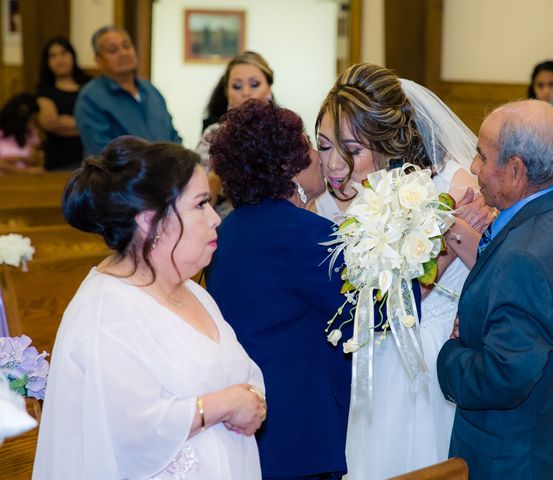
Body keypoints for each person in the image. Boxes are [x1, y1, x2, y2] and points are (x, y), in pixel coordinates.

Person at [33, 136, 266, 479]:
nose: (215, 219)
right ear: (149, 219)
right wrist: (226, 404)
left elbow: (240, 371)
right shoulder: (106, 312)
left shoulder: (194, 292)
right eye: (201, 204)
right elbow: (131, 432)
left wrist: (252, 399)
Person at [314, 63, 492, 479]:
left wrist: (453, 238)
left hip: (434, 347)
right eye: (324, 146)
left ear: (386, 143)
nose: (334, 166)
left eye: (352, 151)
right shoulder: (329, 200)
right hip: (374, 354)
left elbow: (493, 269)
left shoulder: (453, 185)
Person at [437, 100, 553, 479]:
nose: (474, 169)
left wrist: (449, 355)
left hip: (510, 460)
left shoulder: (524, 256)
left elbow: (503, 376)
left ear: (516, 170)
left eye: (482, 156)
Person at [205, 99, 351, 479]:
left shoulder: (227, 230)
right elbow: (368, 314)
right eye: (311, 146)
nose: (322, 158)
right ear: (289, 167)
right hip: (300, 424)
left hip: (250, 416)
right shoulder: (308, 235)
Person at [75, 26, 181, 157]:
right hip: (126, 176)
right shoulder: (90, 98)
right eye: (113, 50)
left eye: (126, 46)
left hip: (169, 173)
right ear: (98, 60)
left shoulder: (151, 90)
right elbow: (100, 154)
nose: (123, 53)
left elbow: (173, 136)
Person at [196, 51, 274, 217]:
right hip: (224, 222)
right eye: (237, 86)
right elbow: (197, 200)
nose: (246, 92)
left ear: (269, 89)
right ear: (227, 94)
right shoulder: (213, 135)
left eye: (254, 84)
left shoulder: (286, 134)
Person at [36, 36, 91, 170]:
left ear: (72, 56)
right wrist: (88, 125)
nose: (59, 60)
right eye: (53, 56)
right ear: (47, 62)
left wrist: (68, 121)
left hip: (91, 158)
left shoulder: (90, 85)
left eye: (63, 53)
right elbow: (51, 124)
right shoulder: (45, 90)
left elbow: (102, 120)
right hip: (59, 162)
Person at [0, 93, 43, 175]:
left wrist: (16, 159)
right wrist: (24, 170)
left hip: (23, 181)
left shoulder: (31, 133)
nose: (32, 123)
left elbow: (33, 159)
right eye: (31, 119)